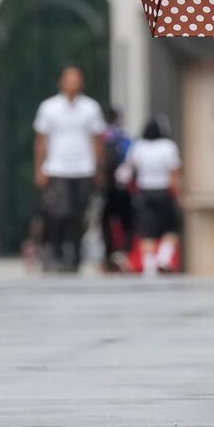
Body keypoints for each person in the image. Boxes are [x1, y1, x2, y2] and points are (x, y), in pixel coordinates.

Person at [32, 65, 105, 273]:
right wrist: (39, 169)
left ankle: (75, 254)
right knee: (58, 212)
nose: (73, 83)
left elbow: (97, 140)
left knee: (79, 214)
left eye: (77, 79)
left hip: (83, 168)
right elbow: (41, 140)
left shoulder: (91, 108)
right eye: (69, 79)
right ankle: (55, 250)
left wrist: (98, 169)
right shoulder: (49, 108)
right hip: (57, 168)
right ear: (61, 82)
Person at [122, 116, 181, 277]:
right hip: (163, 190)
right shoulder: (169, 147)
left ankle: (149, 266)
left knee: (147, 230)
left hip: (144, 191)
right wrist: (177, 194)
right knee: (170, 227)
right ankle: (163, 258)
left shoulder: (138, 146)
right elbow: (174, 173)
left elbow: (129, 169)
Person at [100, 106, 134, 272]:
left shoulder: (102, 138)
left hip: (106, 187)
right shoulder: (124, 138)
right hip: (123, 186)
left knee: (105, 222)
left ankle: (109, 255)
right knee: (127, 222)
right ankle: (123, 253)